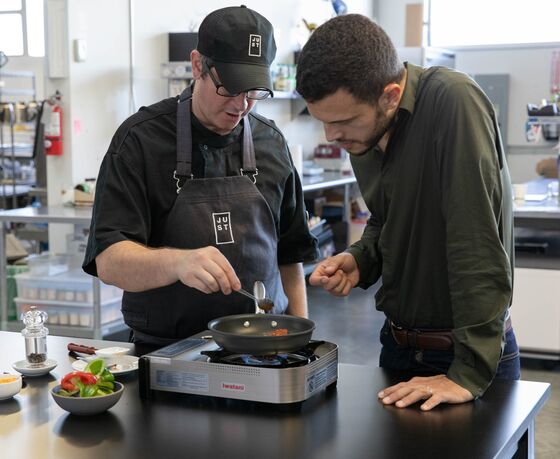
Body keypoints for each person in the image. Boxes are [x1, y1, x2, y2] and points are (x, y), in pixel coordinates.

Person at [296, 14, 520, 411]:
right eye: (323, 123)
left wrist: (468, 372)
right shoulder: (364, 135)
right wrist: (360, 259)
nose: (333, 137)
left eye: (344, 121)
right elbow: (388, 220)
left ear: (390, 96)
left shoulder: (453, 101)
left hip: (464, 357)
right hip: (397, 349)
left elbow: (475, 242)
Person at [83, 5, 318, 345]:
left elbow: (291, 255)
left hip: (266, 347)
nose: (241, 105)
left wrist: (300, 338)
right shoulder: (140, 141)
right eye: (230, 88)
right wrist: (177, 263)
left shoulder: (272, 143)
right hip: (165, 351)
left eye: (253, 92)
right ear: (197, 65)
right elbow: (109, 261)